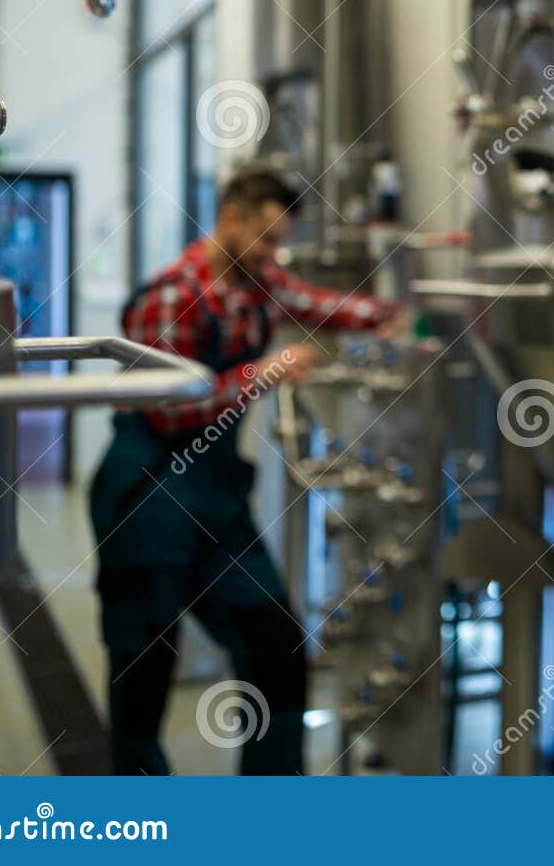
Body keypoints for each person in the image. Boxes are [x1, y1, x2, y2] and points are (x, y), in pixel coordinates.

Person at [89, 167, 406, 775]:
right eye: (263, 239)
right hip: (149, 500)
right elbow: (171, 408)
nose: (272, 254)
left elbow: (322, 303)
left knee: (277, 650)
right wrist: (266, 369)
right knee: (142, 680)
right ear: (230, 216)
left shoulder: (256, 282)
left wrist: (392, 318)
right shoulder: (173, 294)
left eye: (278, 242)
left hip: (214, 504)